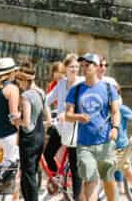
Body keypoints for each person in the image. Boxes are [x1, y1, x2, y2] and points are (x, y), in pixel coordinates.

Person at [64, 53, 121, 201]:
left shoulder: (108, 88)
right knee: (89, 180)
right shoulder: (75, 90)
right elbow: (67, 115)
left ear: (96, 67)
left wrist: (115, 128)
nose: (83, 68)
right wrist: (78, 117)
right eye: (82, 65)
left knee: (108, 180)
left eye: (87, 65)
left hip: (105, 142)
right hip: (84, 144)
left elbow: (115, 111)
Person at [46, 54, 82, 200]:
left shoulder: (82, 83)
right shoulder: (61, 83)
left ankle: (77, 197)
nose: (74, 69)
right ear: (65, 69)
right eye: (71, 67)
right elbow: (46, 100)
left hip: (75, 128)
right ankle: (57, 178)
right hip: (61, 127)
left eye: (76, 67)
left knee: (75, 167)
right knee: (48, 153)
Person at [17, 61, 50, 201]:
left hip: (29, 139)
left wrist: (14, 120)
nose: (18, 83)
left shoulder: (26, 96)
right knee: (33, 173)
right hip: (40, 137)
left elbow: (26, 121)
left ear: (24, 80)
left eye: (19, 80)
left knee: (28, 175)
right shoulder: (41, 92)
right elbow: (47, 119)